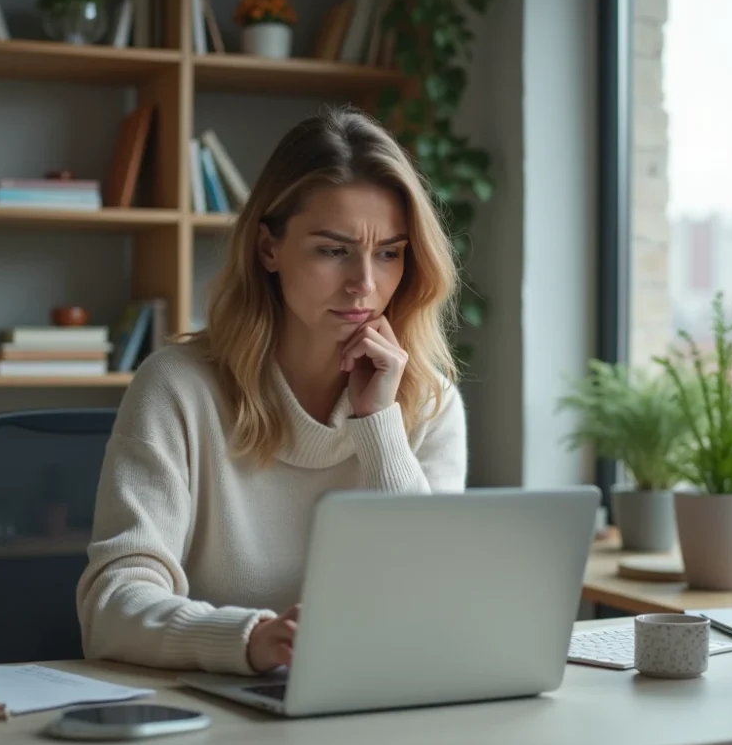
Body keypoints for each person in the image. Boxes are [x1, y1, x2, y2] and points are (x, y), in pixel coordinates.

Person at [75, 105, 468, 677]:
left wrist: (378, 423)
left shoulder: (428, 402)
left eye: (389, 252)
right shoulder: (177, 389)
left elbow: (436, 601)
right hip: (219, 711)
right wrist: (250, 639)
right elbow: (110, 607)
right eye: (333, 250)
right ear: (268, 249)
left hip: (377, 706)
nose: (365, 283)